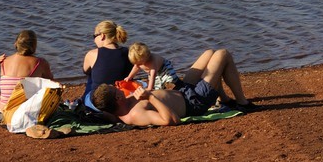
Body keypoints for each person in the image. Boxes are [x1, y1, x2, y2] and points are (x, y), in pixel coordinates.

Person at [90, 47, 255, 125]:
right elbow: (170, 120)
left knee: (209, 53)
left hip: (182, 90)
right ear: (118, 97)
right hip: (194, 101)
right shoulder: (135, 115)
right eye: (116, 89)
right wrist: (151, 97)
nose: (119, 88)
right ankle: (242, 102)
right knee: (222, 54)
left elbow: (105, 110)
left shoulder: (120, 104)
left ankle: (224, 99)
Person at [0, 30, 54, 112]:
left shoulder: (4, 61)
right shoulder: (40, 62)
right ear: (34, 45)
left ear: (16, 43)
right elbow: (51, 84)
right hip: (25, 113)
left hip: (4, 112)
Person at [81, 20, 132, 106]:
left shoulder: (92, 54)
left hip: (97, 102)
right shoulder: (127, 52)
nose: (94, 41)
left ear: (102, 36)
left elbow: (85, 71)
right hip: (121, 98)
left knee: (91, 74)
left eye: (94, 36)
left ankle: (86, 103)